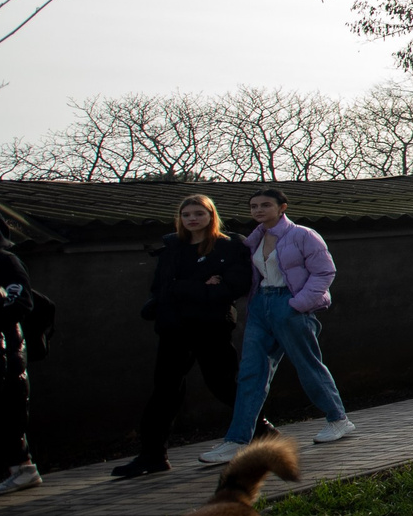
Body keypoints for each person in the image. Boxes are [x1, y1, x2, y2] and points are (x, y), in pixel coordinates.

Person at [206, 187, 350, 464]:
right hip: (260, 306)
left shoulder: (303, 235)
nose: (258, 210)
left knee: (307, 365)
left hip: (290, 305)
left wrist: (298, 304)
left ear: (282, 207)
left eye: (265, 205)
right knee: (250, 374)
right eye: (254, 206)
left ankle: (338, 419)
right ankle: (237, 440)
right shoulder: (254, 240)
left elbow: (324, 271)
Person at [120, 194, 256, 478]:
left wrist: (185, 287)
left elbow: (234, 286)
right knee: (165, 390)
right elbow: (161, 287)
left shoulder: (228, 246)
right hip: (174, 327)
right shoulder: (172, 248)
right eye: (186, 215)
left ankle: (264, 432)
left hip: (211, 327)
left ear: (211, 215)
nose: (192, 219)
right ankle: (152, 455)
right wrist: (200, 285)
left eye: (198, 213)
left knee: (223, 384)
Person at [0, 207, 52, 494]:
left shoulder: (4, 260)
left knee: (5, 410)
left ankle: (23, 468)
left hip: (4, 349)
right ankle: (21, 468)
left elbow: (21, 302)